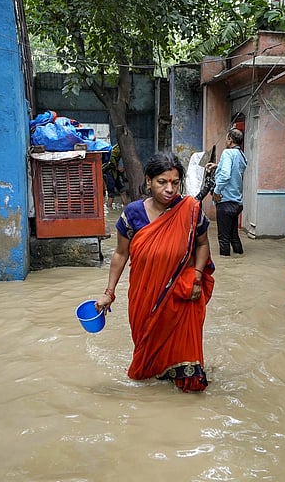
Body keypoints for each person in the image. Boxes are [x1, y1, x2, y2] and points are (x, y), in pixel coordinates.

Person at [95, 152, 215, 392]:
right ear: (148, 181)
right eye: (162, 182)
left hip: (181, 295)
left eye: (175, 183)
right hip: (144, 296)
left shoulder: (190, 210)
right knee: (146, 357)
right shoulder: (133, 213)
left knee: (186, 367)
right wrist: (109, 293)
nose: (169, 189)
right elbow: (120, 254)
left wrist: (197, 276)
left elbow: (202, 244)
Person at [211, 128, 247, 256]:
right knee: (234, 236)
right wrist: (217, 166)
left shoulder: (227, 153)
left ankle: (225, 260)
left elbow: (225, 175)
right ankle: (239, 257)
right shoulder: (242, 155)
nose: (226, 141)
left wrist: (216, 191)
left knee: (223, 238)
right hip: (237, 203)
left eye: (227, 138)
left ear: (230, 140)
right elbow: (235, 170)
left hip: (225, 202)